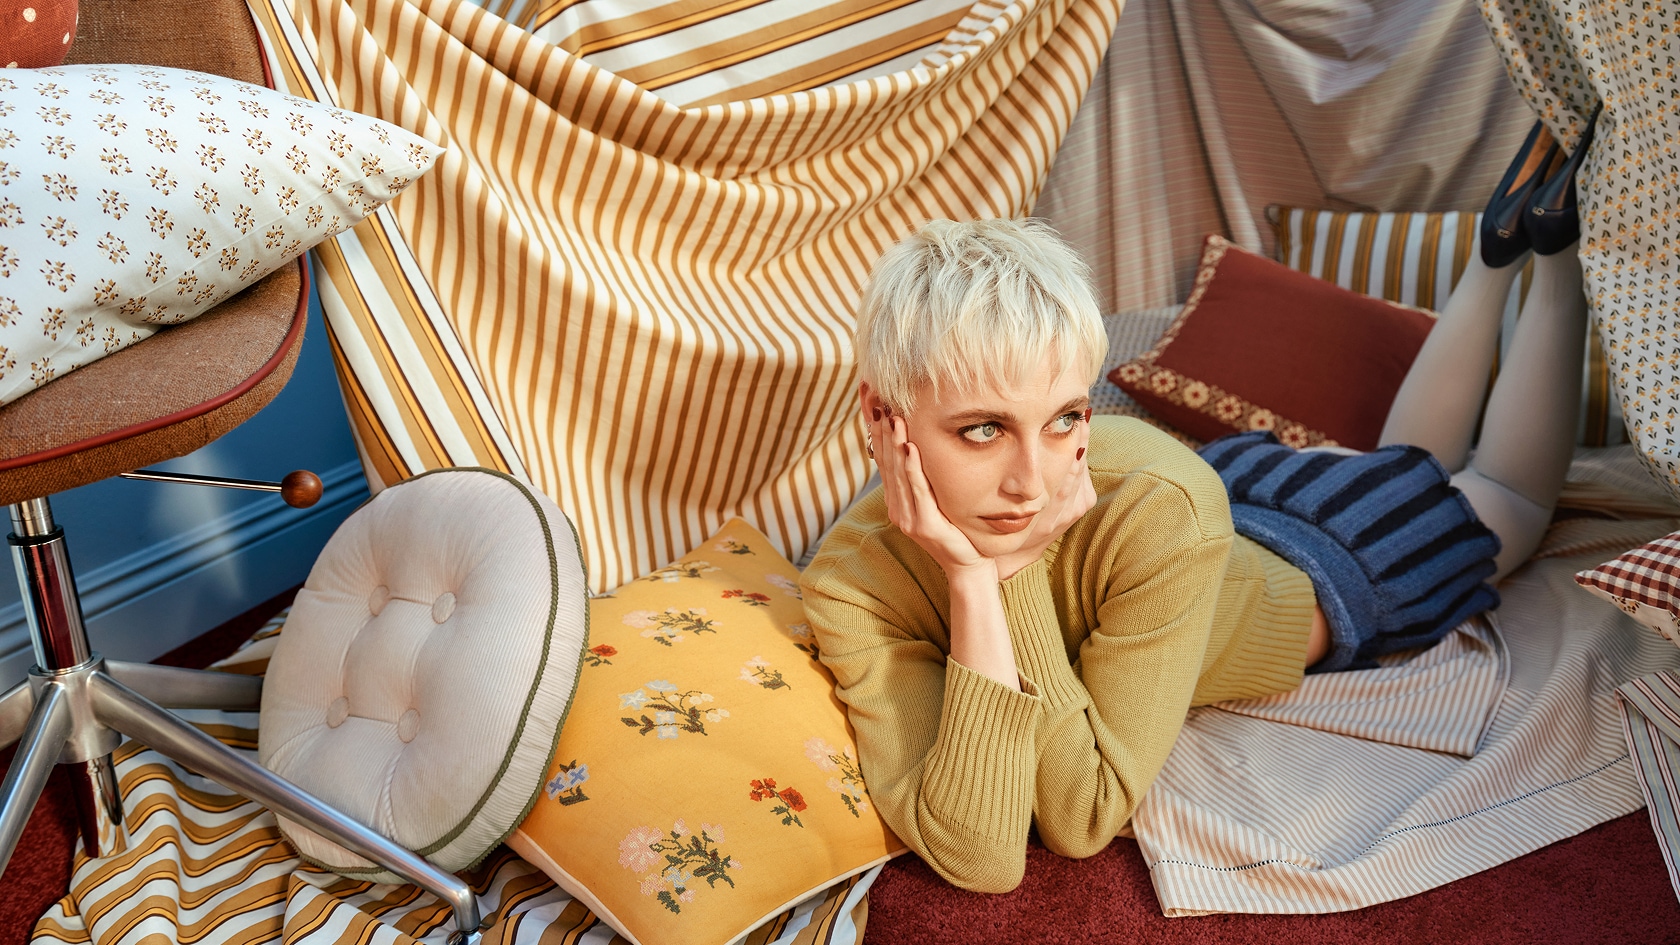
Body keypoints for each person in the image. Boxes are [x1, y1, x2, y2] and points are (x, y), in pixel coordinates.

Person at [798, 119, 1594, 893]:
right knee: (1412, 465)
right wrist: (977, 580)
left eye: (1065, 417)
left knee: (1508, 498)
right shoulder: (849, 584)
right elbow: (983, 854)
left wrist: (1008, 571)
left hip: (1320, 557)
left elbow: (1082, 815)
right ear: (881, 415)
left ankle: (1553, 251)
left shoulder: (1157, 507)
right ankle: (1499, 250)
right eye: (983, 430)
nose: (1032, 484)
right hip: (1196, 497)